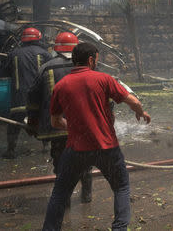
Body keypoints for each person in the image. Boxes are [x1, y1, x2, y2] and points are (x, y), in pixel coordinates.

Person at [42, 42, 151, 231]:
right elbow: (132, 100)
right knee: (121, 188)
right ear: (91, 60)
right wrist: (141, 112)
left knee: (60, 193)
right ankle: (119, 228)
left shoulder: (61, 86)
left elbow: (55, 122)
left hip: (76, 150)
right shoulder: (103, 79)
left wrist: (76, 127)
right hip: (107, 148)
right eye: (97, 59)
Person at [27, 32, 92, 205]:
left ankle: (66, 201)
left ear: (56, 48)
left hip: (56, 128)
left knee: (61, 163)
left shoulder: (46, 68)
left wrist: (33, 121)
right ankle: (87, 195)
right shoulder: (88, 67)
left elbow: (33, 97)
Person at [0, 27, 52, 159]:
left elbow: (4, 72)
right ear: (38, 39)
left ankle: (10, 150)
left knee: (14, 123)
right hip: (39, 97)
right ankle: (46, 147)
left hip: (19, 97)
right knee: (42, 120)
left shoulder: (13, 53)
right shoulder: (45, 54)